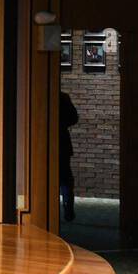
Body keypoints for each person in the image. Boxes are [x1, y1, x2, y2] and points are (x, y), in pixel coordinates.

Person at [59, 90, 78, 222]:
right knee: (66, 179)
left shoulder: (41, 97)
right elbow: (74, 118)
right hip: (63, 143)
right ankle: (68, 210)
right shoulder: (63, 97)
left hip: (47, 143)